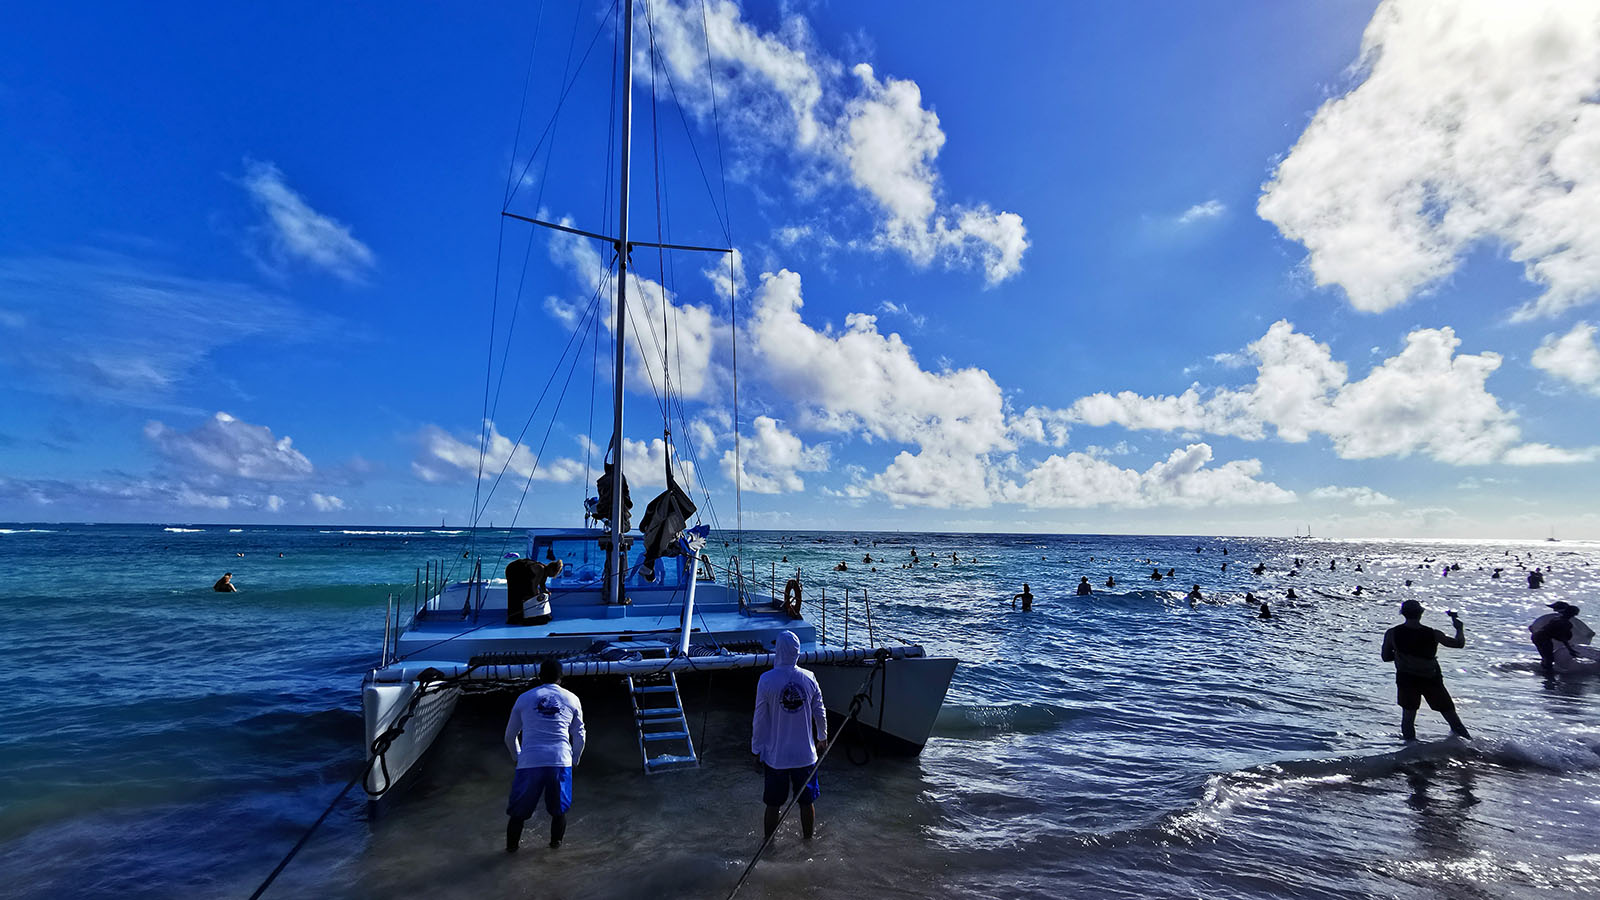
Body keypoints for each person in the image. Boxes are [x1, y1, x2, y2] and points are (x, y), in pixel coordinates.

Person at [752, 631, 827, 840]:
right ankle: (808, 842)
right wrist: (822, 737)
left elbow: (759, 718)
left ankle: (769, 845)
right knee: (806, 801)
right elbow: (820, 710)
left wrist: (755, 749)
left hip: (777, 756)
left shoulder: (766, 680)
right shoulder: (809, 677)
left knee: (773, 804)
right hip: (805, 755)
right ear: (797, 651)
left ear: (778, 651)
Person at [504, 659, 585, 851]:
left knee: (518, 814)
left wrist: (517, 757)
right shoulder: (572, 698)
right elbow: (579, 734)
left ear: (539, 676)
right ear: (561, 677)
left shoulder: (524, 698)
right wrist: (575, 758)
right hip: (560, 760)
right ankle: (555, 850)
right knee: (558, 812)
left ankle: (510, 852)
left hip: (529, 762)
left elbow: (509, 735)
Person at [1380, 600, 1470, 742]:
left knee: (1408, 717)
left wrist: (1401, 655)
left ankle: (1409, 751)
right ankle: (1469, 747)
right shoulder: (1433, 634)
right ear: (1421, 613)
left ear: (1403, 613)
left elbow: (1385, 657)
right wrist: (1459, 628)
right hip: (1431, 679)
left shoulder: (1392, 633)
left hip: (1406, 679)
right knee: (1450, 715)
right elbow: (1458, 644)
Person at [506, 558, 562, 625]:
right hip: (514, 569)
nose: (554, 576)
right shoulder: (540, 569)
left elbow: (542, 585)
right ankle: (515, 617)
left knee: (528, 592)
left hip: (522, 572)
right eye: (554, 573)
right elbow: (534, 586)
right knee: (518, 592)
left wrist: (546, 592)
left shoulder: (545, 572)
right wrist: (537, 597)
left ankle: (522, 615)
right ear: (551, 569)